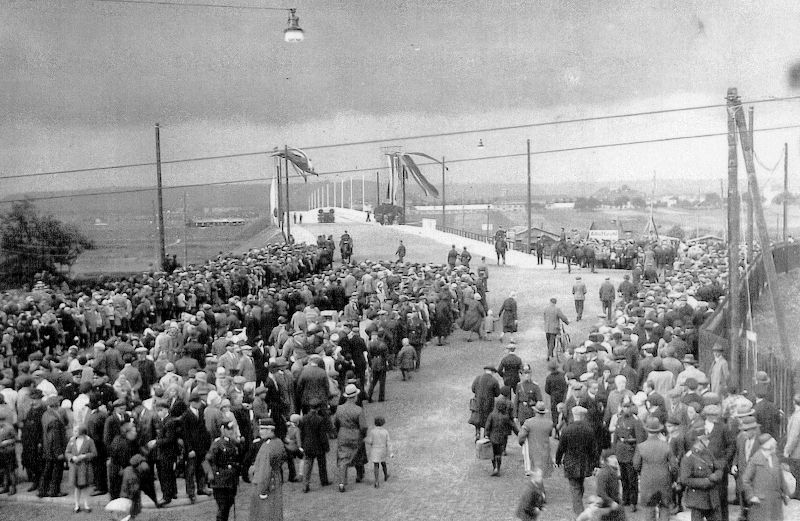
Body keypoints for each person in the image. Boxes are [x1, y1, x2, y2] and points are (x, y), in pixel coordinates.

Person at [555, 405, 597, 516]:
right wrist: (595, 464)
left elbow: (561, 448)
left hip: (570, 463)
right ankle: (579, 509)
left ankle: (579, 514)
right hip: (584, 464)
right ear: (583, 416)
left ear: (574, 416)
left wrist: (557, 460)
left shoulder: (567, 430)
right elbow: (593, 450)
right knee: (579, 486)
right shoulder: (589, 430)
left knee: (575, 489)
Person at [633, 417, 675, 521]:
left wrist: (642, 473)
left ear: (647, 430)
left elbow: (636, 465)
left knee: (649, 510)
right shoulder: (666, 446)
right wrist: (673, 479)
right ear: (659, 430)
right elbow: (674, 466)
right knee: (665, 509)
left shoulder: (641, 447)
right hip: (664, 481)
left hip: (647, 482)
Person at [743, 433, 791, 521]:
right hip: (761, 502)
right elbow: (745, 480)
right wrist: (751, 496)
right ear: (767, 446)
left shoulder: (774, 458)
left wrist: (786, 493)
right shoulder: (755, 460)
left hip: (775, 501)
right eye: (773, 444)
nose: (776, 445)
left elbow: (781, 478)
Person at [248, 418, 287, 521]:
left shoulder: (267, 447)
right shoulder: (278, 442)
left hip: (266, 484)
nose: (260, 431)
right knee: (276, 512)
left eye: (263, 429)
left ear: (270, 430)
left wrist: (262, 490)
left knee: (264, 514)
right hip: (276, 480)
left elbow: (264, 471)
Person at [680, 433, 723, 521]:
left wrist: (717, 475)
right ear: (699, 442)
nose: (708, 442)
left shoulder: (708, 453)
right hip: (698, 500)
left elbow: (719, 467)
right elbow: (685, 480)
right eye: (706, 440)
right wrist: (706, 482)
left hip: (712, 499)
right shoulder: (688, 458)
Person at [334, 384, 368, 492]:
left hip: (343, 434)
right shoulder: (358, 410)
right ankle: (359, 475)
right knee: (358, 453)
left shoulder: (339, 409)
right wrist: (363, 435)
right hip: (356, 434)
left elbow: (335, 423)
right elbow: (363, 426)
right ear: (355, 396)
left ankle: (341, 483)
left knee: (343, 459)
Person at [205, 419, 241, 521]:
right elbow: (206, 461)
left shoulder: (233, 443)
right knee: (222, 507)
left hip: (230, 480)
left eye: (231, 429)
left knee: (228, 505)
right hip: (220, 481)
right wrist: (210, 475)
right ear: (223, 430)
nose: (230, 432)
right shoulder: (217, 444)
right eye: (228, 429)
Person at [299, 400, 330, 492]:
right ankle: (324, 480)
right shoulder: (320, 419)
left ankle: (305, 484)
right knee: (322, 464)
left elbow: (302, 433)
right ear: (318, 408)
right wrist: (326, 446)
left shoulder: (304, 418)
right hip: (318, 445)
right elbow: (322, 435)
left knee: (307, 465)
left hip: (307, 444)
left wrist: (302, 443)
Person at [66, 424, 97, 512]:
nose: (74, 432)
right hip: (75, 467)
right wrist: (72, 457)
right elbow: (67, 452)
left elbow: (94, 453)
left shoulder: (89, 441)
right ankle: (77, 505)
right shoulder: (72, 440)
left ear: (81, 432)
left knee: (85, 487)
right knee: (77, 487)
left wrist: (84, 456)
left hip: (85, 467)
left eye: (76, 431)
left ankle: (86, 504)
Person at [518, 401, 553, 478]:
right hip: (545, 450)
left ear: (535, 411)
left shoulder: (529, 423)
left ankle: (538, 488)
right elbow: (549, 434)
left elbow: (521, 436)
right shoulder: (549, 423)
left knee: (534, 471)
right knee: (541, 471)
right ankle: (539, 487)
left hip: (533, 449)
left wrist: (521, 442)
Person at [484, 400, 518, 476]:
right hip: (501, 438)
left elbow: (487, 425)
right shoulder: (506, 417)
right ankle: (498, 469)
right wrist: (518, 433)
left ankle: (494, 467)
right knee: (499, 454)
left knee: (492, 454)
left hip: (492, 438)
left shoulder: (492, 415)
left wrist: (486, 434)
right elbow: (512, 425)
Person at [469, 365, 500, 441]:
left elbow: (473, 389)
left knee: (477, 418)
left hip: (478, 402)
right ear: (492, 372)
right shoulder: (494, 381)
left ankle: (477, 432)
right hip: (488, 404)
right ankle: (485, 436)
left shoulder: (478, 378)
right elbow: (497, 394)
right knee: (487, 420)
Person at [595, 448, 626, 521]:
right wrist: (611, 502)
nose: (615, 460)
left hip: (614, 504)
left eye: (615, 457)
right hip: (608, 507)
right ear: (607, 460)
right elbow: (600, 491)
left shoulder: (612, 471)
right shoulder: (604, 473)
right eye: (612, 458)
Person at [365, 415, 392, 488]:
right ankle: (386, 475)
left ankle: (376, 481)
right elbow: (388, 442)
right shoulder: (385, 431)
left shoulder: (373, 431)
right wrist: (390, 452)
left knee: (376, 465)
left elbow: (370, 441)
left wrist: (365, 440)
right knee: (383, 463)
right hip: (383, 449)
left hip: (375, 450)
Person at [783, 393, 800, 500]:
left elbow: (794, 436)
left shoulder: (797, 416)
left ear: (794, 402)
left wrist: (787, 450)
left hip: (797, 451)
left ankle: (798, 493)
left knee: (796, 471)